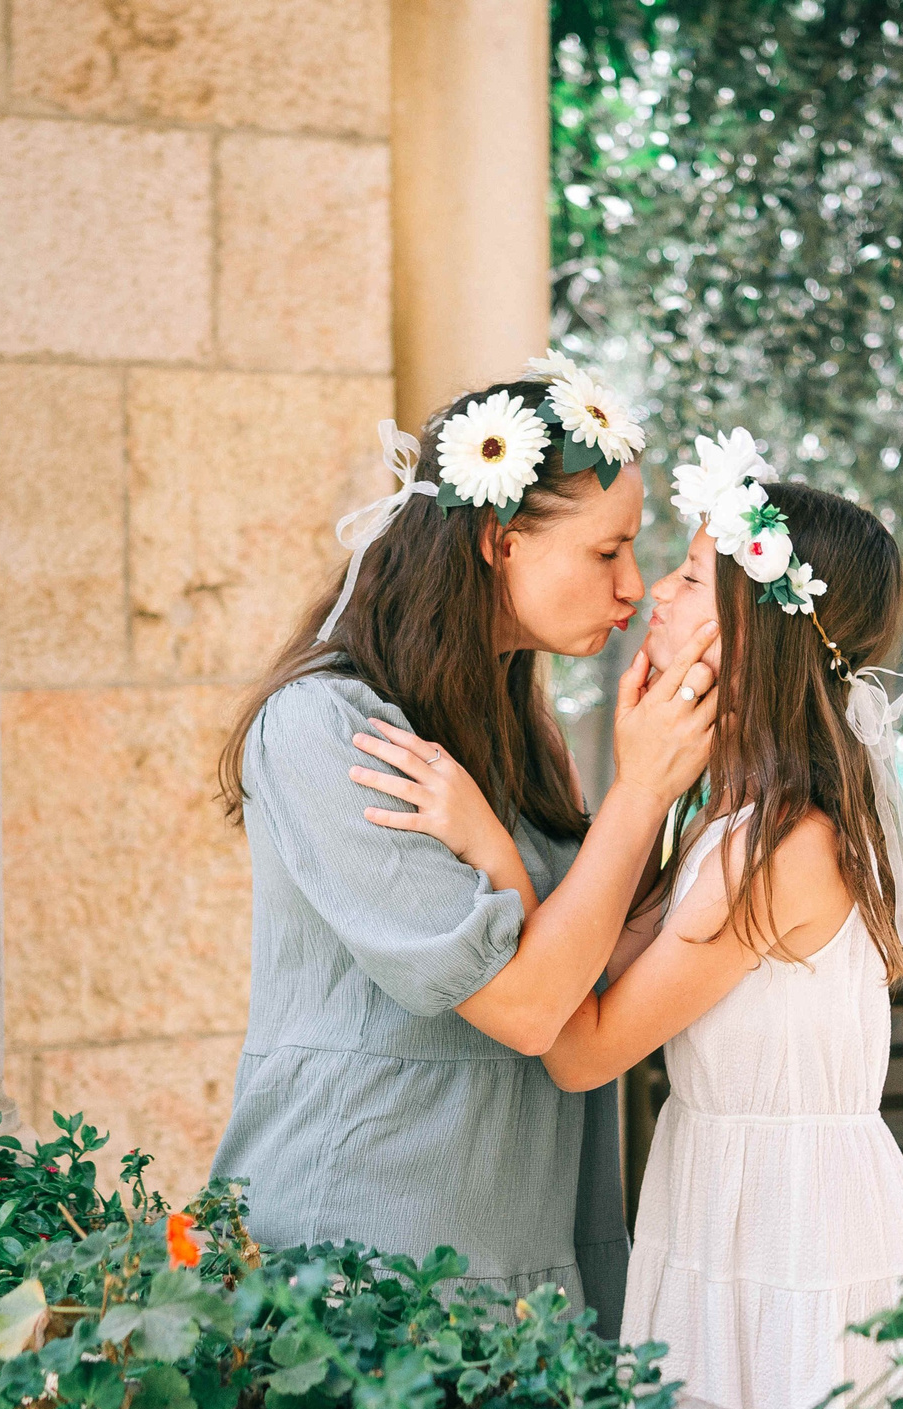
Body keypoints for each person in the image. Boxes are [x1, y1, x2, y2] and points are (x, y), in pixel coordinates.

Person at [358, 427, 903, 1409]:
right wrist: (635, 779)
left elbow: (579, 1047)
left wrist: (491, 846)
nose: (655, 596)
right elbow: (592, 967)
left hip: (786, 1219)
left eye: (690, 579)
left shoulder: (780, 849)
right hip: (722, 1191)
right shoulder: (731, 818)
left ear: (751, 631)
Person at [207, 356, 719, 1333]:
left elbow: (595, 966)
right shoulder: (327, 727)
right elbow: (527, 1009)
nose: (634, 584)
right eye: (607, 551)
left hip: (528, 1255)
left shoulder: (521, 735)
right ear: (499, 540)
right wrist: (641, 790)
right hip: (365, 1251)